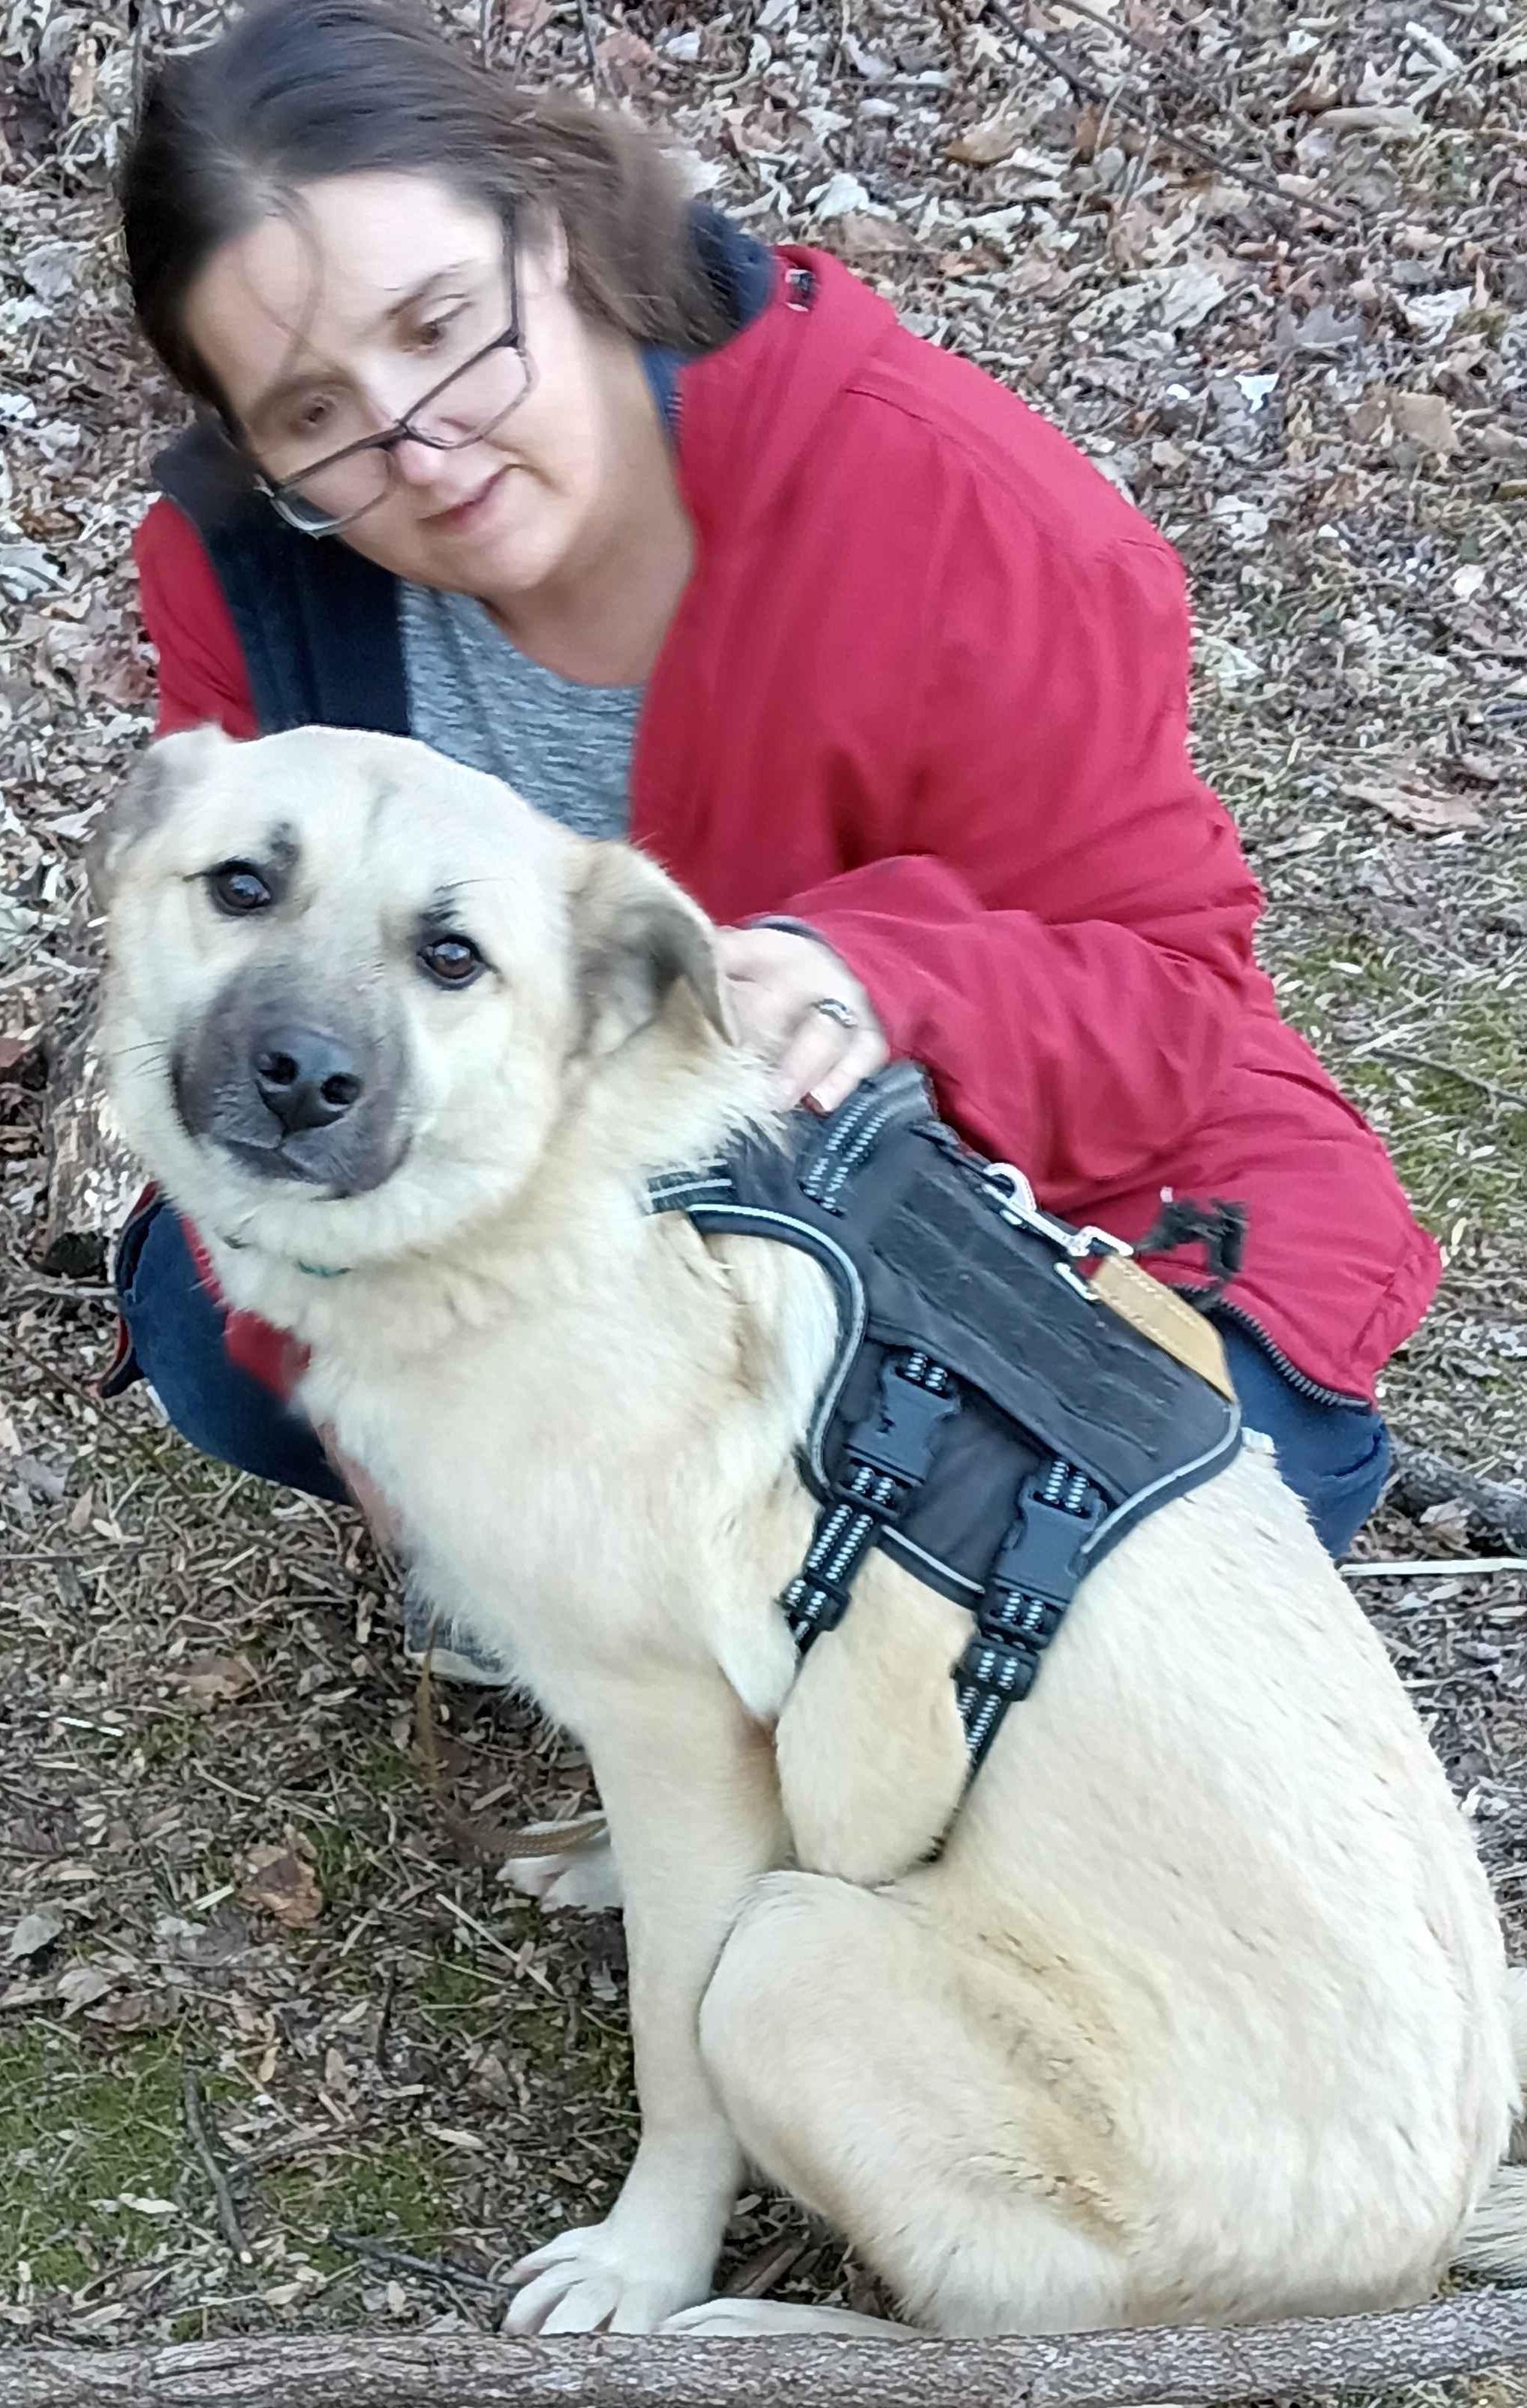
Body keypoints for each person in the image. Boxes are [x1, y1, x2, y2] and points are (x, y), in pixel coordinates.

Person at [107, 0, 1437, 1659]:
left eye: (443, 323)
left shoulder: (946, 505)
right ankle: (653, 1591)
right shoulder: (244, 565)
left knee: (1046, 1612)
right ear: (249, 442)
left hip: (1048, 1207)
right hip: (593, 1228)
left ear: (555, 225)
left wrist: (873, 980)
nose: (419, 445)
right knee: (204, 1304)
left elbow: (1167, 991)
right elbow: (235, 957)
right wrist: (368, 1409)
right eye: (313, 417)